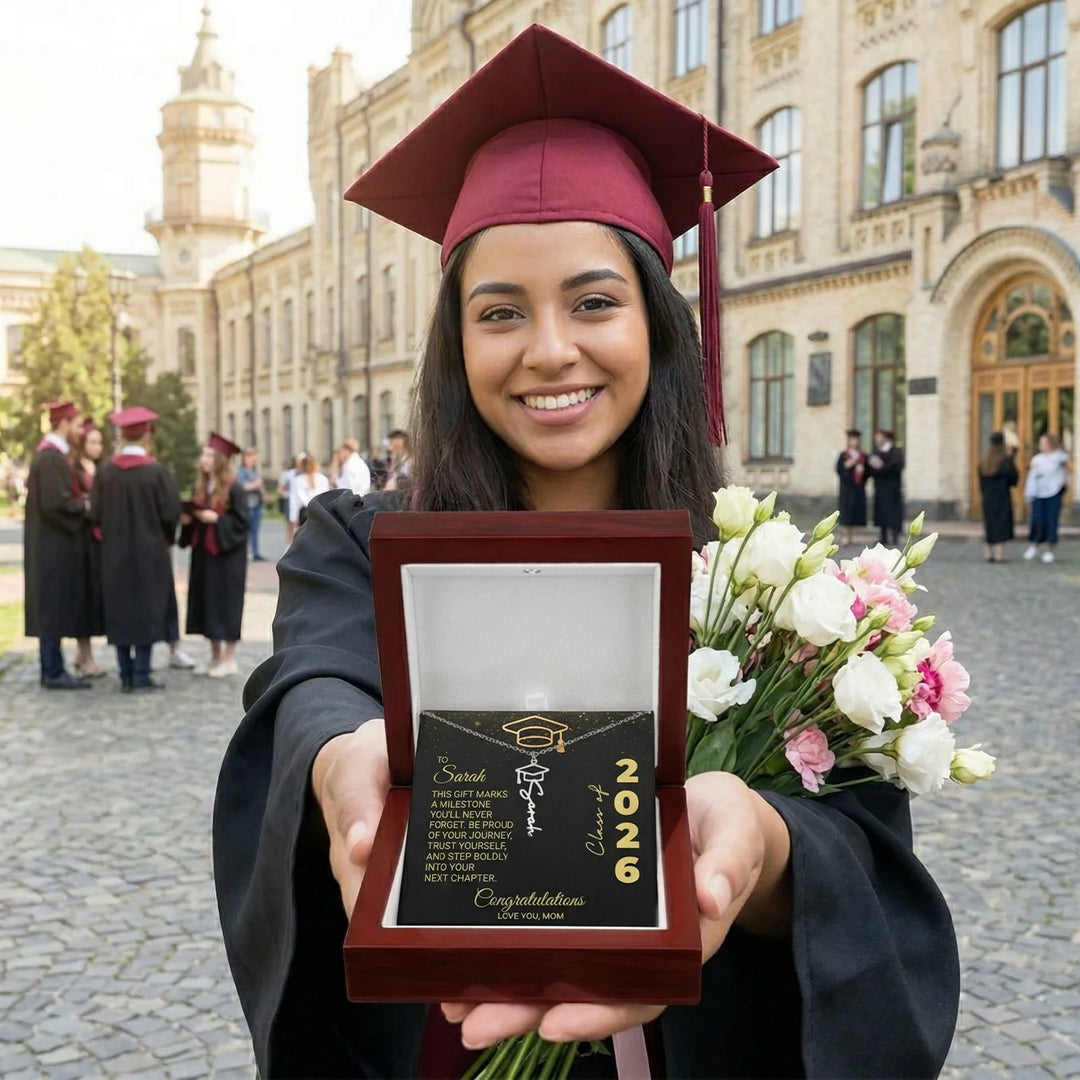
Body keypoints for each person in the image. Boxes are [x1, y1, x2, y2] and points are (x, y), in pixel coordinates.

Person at [212, 25, 958, 1080]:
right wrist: (343, 765)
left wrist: (765, 846)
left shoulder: (755, 583)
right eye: (500, 311)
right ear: (455, 343)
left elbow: (865, 851)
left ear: (657, 323)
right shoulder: (364, 540)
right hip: (448, 1041)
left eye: (595, 301)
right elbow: (316, 684)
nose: (550, 348)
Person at [90, 407, 182, 693]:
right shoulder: (155, 472)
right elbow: (171, 514)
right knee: (146, 609)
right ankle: (141, 673)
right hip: (150, 555)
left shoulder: (105, 472)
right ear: (146, 436)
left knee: (120, 611)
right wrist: (164, 538)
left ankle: (125, 673)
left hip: (114, 555)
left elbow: (95, 515)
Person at [23, 401, 91, 689]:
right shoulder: (50, 458)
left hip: (52, 547)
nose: (80, 431)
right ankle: (52, 671)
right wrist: (83, 507)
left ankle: (53, 668)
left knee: (53, 606)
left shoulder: (53, 456)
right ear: (63, 424)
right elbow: (54, 504)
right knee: (51, 608)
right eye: (76, 425)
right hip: (51, 549)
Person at [179, 433, 249, 677]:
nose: (204, 459)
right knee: (207, 602)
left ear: (220, 460)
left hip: (227, 557)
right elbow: (195, 521)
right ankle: (215, 656)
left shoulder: (235, 489)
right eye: (204, 454)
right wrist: (188, 519)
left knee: (226, 604)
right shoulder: (203, 488)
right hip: (205, 556)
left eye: (210, 455)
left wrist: (217, 519)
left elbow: (241, 524)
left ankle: (230, 658)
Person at [70, 419, 106, 678]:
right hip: (80, 540)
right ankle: (85, 654)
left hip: (100, 541)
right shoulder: (72, 468)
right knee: (82, 598)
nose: (97, 446)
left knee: (96, 598)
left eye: (100, 442)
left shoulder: (105, 468)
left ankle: (84, 654)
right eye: (92, 441)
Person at [1023, 432, 1070, 563]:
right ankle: (1034, 544)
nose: (1043, 445)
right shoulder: (1037, 459)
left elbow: (1066, 462)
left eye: (1045, 442)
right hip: (1038, 493)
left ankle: (1048, 549)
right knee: (1037, 520)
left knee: (1051, 520)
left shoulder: (1059, 458)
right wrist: (1029, 494)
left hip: (1053, 493)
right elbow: (1032, 478)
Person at [978, 432, 1019, 563]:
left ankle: (988, 553)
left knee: (989, 524)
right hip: (1002, 497)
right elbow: (1014, 480)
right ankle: (999, 554)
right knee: (1001, 525)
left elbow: (981, 482)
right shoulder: (1006, 461)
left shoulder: (984, 462)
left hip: (988, 497)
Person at [868, 428, 905, 547]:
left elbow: (898, 466)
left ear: (886, 438)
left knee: (893, 511)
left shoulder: (895, 451)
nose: (877, 440)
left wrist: (883, 467)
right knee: (881, 511)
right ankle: (883, 535)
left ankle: (895, 535)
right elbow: (871, 468)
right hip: (880, 486)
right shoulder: (876, 452)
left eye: (879, 437)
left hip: (893, 486)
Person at [835, 428, 867, 547]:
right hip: (847, 488)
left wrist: (864, 471)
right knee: (846, 510)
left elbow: (868, 471)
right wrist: (846, 466)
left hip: (858, 487)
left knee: (856, 512)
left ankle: (853, 536)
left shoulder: (862, 456)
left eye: (856, 439)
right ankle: (845, 536)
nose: (854, 442)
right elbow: (838, 470)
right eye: (852, 439)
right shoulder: (844, 455)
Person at [237, 448, 266, 561]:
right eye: (250, 457)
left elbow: (260, 487)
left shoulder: (255, 471)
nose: (253, 460)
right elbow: (242, 487)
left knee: (255, 530)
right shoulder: (241, 472)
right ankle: (245, 552)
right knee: (246, 530)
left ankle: (255, 552)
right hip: (247, 505)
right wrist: (255, 484)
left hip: (256, 503)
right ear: (244, 459)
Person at [288, 451, 330, 527]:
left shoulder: (297, 480)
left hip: (305, 513)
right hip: (320, 512)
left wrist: (293, 518)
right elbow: (326, 497)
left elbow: (294, 501)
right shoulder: (323, 479)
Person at [278, 456, 301, 545]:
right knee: (290, 523)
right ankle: (290, 543)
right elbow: (280, 488)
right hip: (289, 499)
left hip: (299, 500)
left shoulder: (303, 474)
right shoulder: (288, 474)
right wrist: (286, 494)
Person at [383, 428, 413, 492]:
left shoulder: (411, 462)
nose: (389, 448)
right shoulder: (398, 461)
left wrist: (396, 484)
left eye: (391, 443)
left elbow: (414, 482)